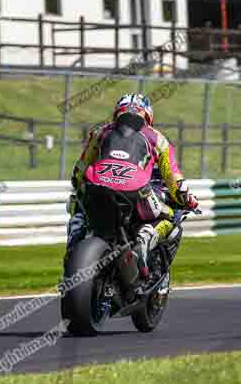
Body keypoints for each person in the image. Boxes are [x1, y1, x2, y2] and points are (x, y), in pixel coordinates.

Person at [65, 93, 198, 280]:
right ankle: (146, 236)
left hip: (97, 187)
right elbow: (174, 181)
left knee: (76, 206)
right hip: (136, 191)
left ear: (116, 113)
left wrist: (80, 188)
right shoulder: (157, 138)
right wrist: (188, 201)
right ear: (148, 117)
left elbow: (79, 172)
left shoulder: (100, 132)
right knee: (171, 217)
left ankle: (73, 246)